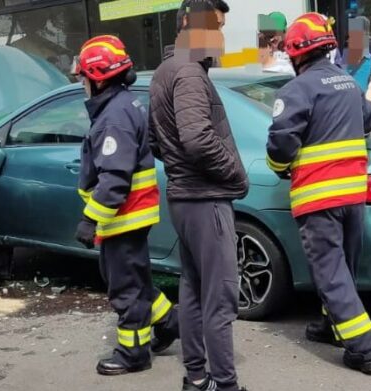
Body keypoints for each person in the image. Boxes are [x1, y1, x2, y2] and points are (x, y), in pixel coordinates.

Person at [266, 12, 371, 375]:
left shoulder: (297, 89)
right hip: (353, 194)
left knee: (330, 273)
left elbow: (281, 145)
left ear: (298, 55)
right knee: (343, 269)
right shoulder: (347, 83)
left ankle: (365, 349)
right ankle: (330, 325)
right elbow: (369, 119)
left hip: (319, 197)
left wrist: (278, 167)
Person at [149, 0, 249, 390]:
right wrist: (235, 174)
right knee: (221, 298)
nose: (221, 38)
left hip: (184, 197)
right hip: (205, 199)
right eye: (216, 28)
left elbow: (154, 140)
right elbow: (197, 139)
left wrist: (180, 168)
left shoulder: (164, 70)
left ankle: (196, 378)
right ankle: (225, 384)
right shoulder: (189, 73)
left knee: (192, 292)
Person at [72, 35, 179, 376]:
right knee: (135, 277)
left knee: (125, 286)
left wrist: (90, 219)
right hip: (131, 216)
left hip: (124, 217)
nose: (82, 84)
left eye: (83, 77)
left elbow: (115, 179)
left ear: (98, 77)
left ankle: (133, 353)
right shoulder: (125, 103)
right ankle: (168, 321)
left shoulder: (114, 116)